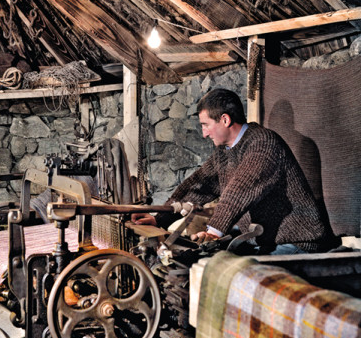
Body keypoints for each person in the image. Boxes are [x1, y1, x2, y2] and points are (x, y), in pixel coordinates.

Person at [131, 88, 334, 254]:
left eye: (206, 125)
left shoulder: (263, 143)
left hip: (298, 243)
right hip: (265, 241)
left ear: (225, 120)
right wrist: (160, 218)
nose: (204, 134)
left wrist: (213, 232)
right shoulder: (224, 152)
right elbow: (198, 186)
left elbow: (240, 189)